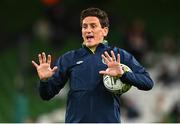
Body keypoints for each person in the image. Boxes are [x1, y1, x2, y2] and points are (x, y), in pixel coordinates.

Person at [32, 7, 154, 123]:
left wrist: (123, 74)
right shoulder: (69, 58)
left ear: (104, 30)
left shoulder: (118, 55)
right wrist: (45, 80)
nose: (88, 30)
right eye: (84, 27)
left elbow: (147, 82)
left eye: (93, 26)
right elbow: (46, 95)